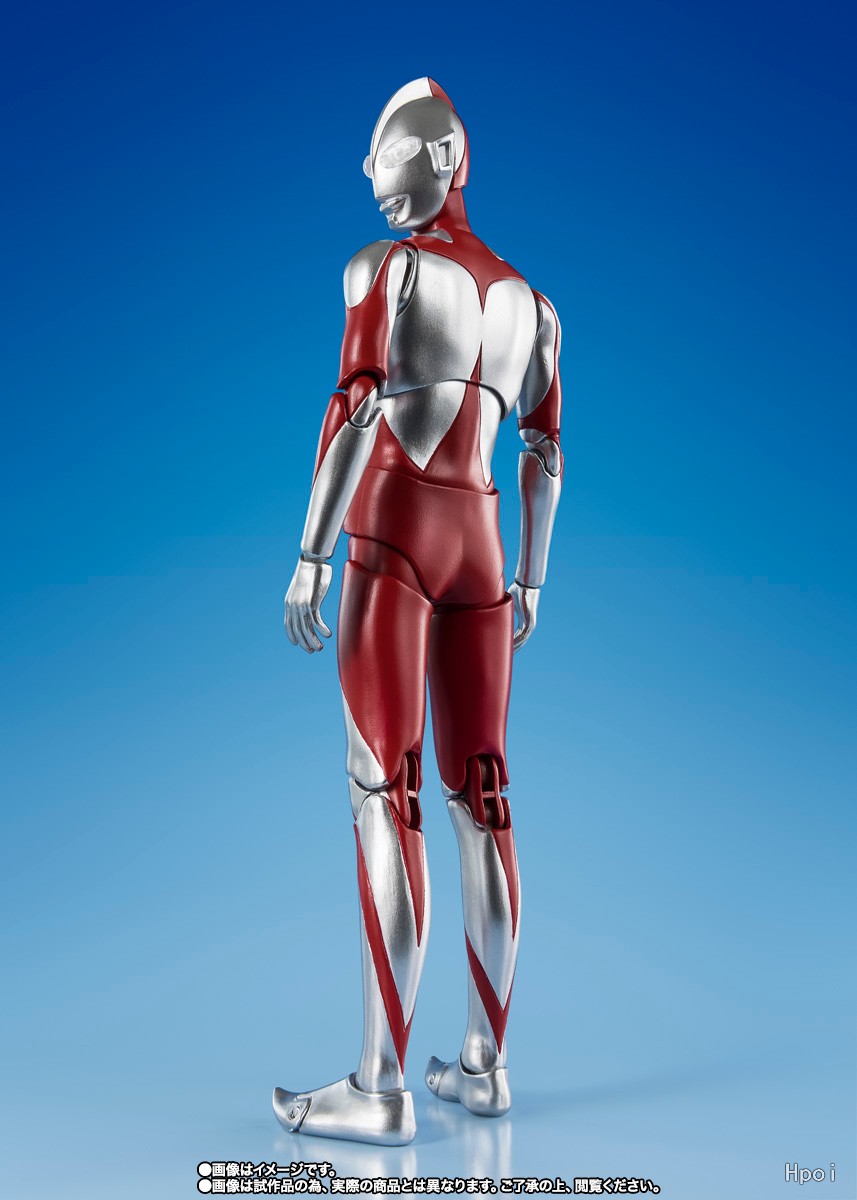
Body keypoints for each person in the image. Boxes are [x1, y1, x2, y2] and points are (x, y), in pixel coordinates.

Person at [275, 78, 563, 1146]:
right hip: (482, 547)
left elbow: (354, 409)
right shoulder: (533, 304)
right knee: (481, 794)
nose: (371, 174)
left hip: (392, 539)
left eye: (387, 154)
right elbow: (543, 452)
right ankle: (484, 1067)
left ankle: (379, 1086)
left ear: (442, 159)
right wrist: (530, 579)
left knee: (382, 790)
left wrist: (311, 552)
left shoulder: (384, 270)